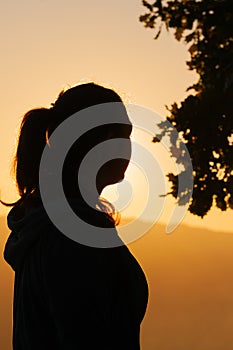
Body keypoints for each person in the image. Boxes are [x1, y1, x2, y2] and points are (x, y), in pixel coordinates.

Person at [3, 82, 148, 349]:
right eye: (123, 133)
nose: (129, 145)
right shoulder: (73, 237)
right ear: (99, 139)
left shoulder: (46, 227)